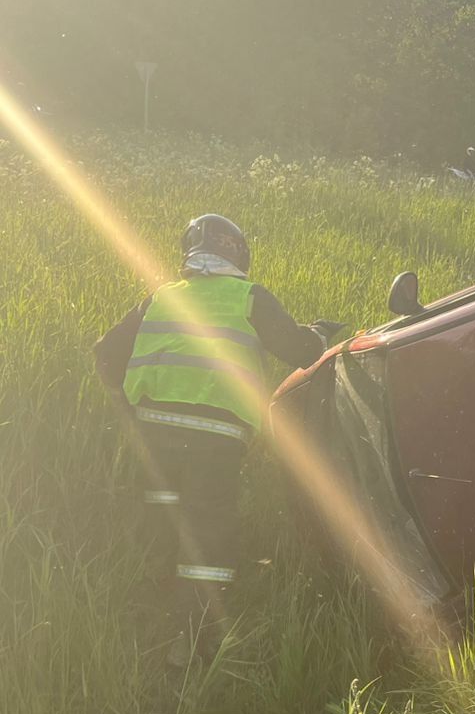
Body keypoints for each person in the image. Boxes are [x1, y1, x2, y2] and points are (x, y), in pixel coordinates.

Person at [94, 215, 339, 664]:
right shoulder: (249, 296)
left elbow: (105, 354)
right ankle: (192, 645)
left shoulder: (160, 297)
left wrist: (129, 409)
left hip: (153, 436)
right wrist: (322, 333)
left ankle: (144, 618)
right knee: (208, 535)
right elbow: (300, 351)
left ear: (189, 254)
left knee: (161, 522)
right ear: (238, 254)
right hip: (216, 439)